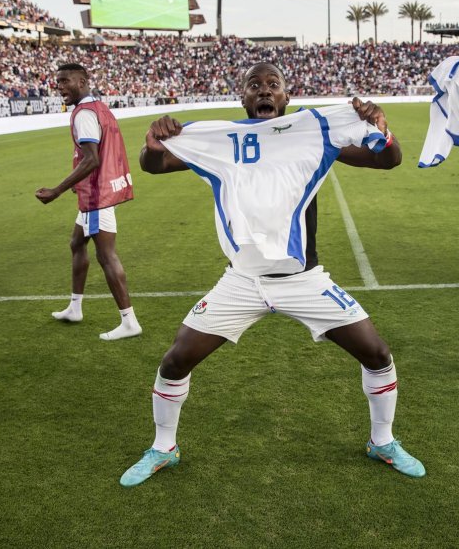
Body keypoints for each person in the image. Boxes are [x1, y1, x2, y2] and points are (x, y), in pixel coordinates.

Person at [118, 62, 423, 488]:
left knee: (376, 353)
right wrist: (152, 145)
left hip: (304, 281)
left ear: (286, 98)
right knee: (175, 360)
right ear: (243, 98)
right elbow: (155, 165)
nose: (264, 91)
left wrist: (380, 127)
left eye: (273, 85)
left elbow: (388, 159)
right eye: (255, 85)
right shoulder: (224, 140)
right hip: (242, 282)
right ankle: (163, 448)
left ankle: (382, 441)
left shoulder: (312, 134)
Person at [34, 63, 141, 341]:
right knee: (76, 242)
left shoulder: (84, 114)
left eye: (65, 81)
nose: (59, 87)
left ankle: (129, 321)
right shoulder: (100, 107)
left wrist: (57, 190)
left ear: (82, 81)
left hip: (97, 194)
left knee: (106, 255)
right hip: (101, 188)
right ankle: (75, 307)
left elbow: (91, 159)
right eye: (57, 82)